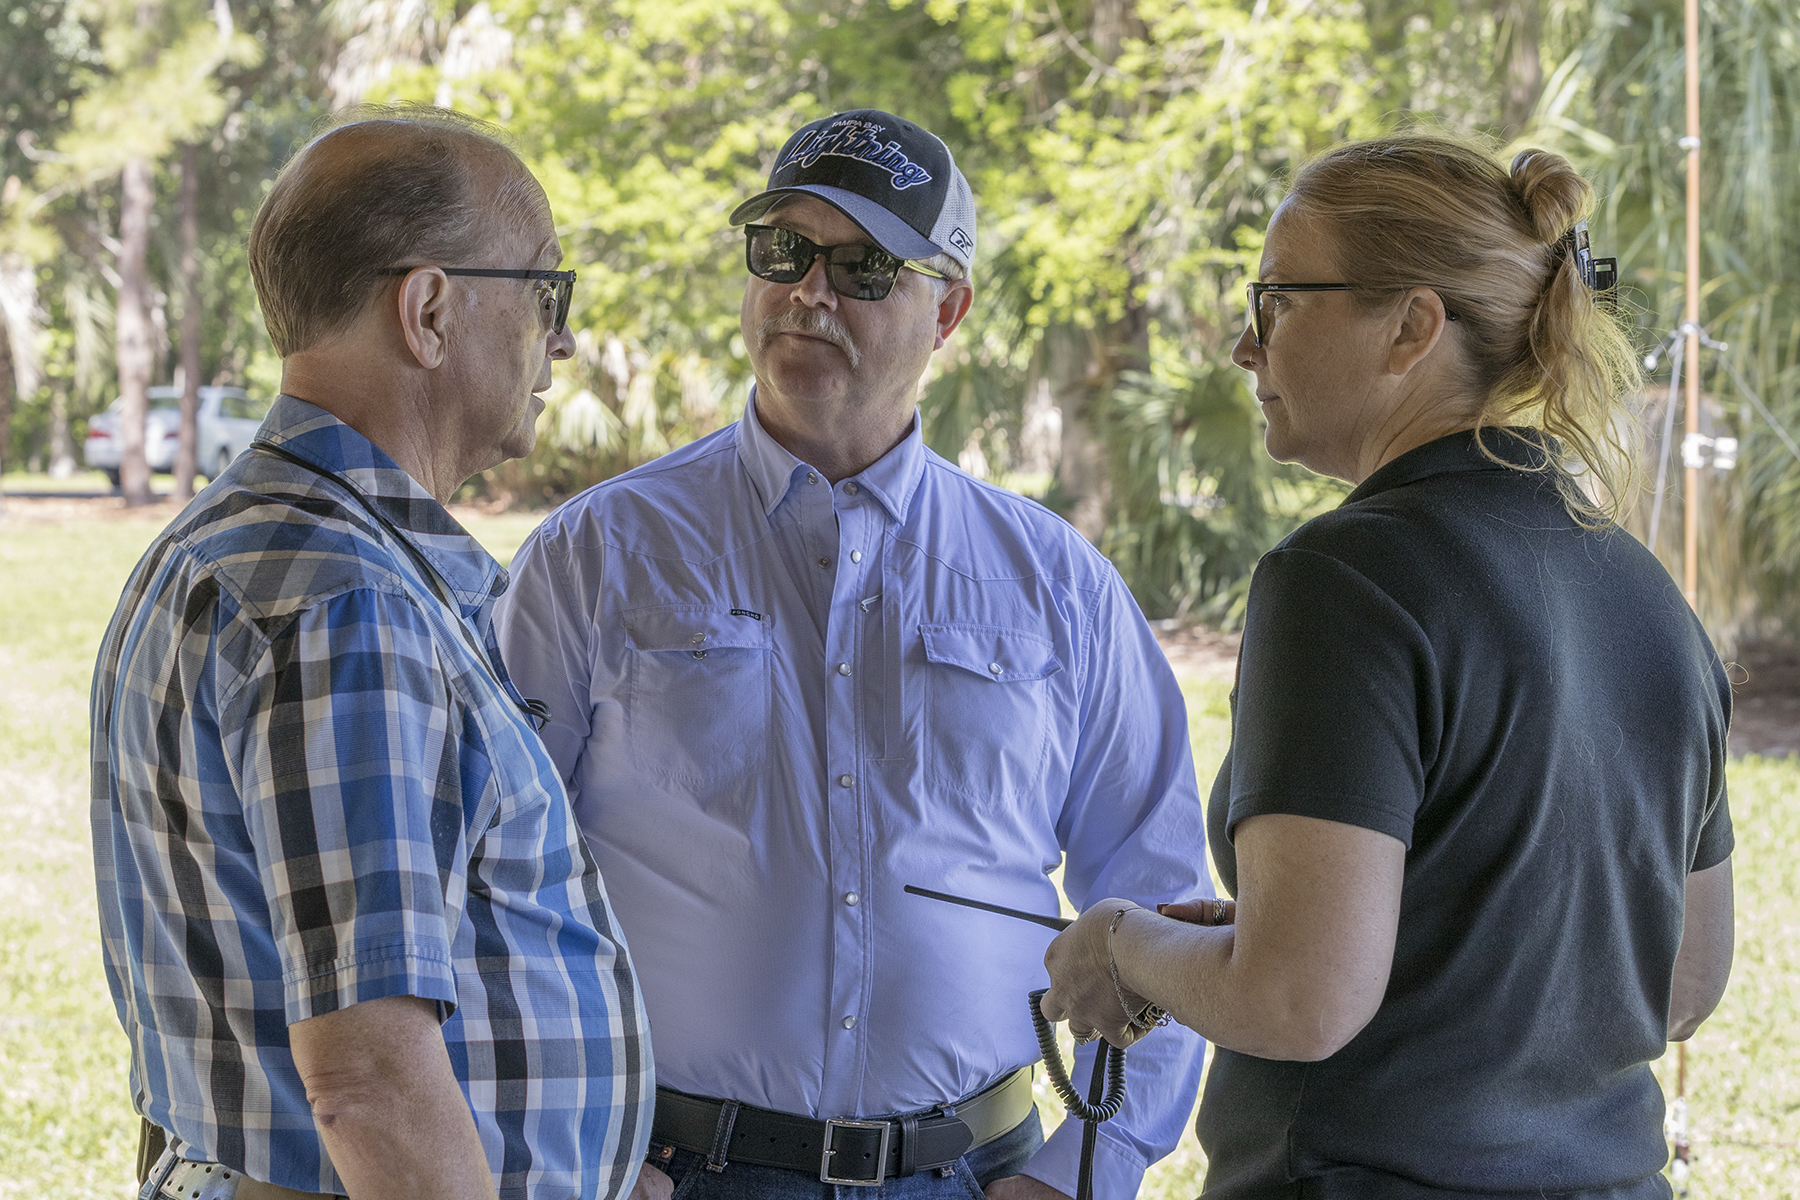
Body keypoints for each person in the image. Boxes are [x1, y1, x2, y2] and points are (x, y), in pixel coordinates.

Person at [493, 109, 1209, 1200]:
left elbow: (1162, 908)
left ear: (950, 311)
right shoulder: (600, 553)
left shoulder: (1054, 582)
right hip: (676, 1174)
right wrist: (575, 1145)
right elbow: (493, 879)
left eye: (865, 266)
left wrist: (1083, 1177)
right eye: (782, 251)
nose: (809, 292)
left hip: (979, 1175)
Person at [1039, 135, 1736, 1198]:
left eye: (1277, 299)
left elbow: (1299, 1001)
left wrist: (1123, 946)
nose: (1244, 343)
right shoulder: (1649, 595)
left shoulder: (1344, 577)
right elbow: (1678, 980)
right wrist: (1330, 924)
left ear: (1412, 325)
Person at [90, 107, 652, 1200]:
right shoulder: (344, 600)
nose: (563, 340)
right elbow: (370, 1082)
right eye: (546, 293)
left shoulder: (241, 541)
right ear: (430, 308)